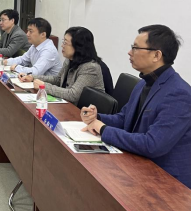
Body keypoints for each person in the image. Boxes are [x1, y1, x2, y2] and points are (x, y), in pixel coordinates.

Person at [81, 25, 191, 189]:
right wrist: (97, 118)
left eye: (135, 48)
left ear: (156, 55)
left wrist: (103, 129)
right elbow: (124, 118)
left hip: (166, 183)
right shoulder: (143, 83)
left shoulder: (179, 94)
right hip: (138, 165)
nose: (129, 52)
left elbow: (153, 145)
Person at [20, 27, 105, 104]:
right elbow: (58, 79)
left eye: (65, 43)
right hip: (67, 104)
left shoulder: (90, 67)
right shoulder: (69, 60)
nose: (62, 46)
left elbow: (73, 94)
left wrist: (43, 86)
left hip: (84, 111)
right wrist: (33, 77)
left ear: (78, 46)